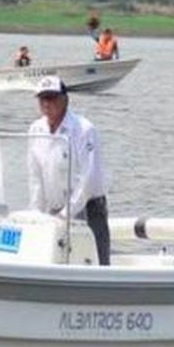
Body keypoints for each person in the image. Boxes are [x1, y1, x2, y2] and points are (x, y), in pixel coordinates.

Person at [27, 76, 111, 264]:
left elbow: (88, 178)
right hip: (54, 209)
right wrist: (36, 214)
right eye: (43, 98)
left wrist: (67, 213)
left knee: (96, 264)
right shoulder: (35, 129)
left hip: (87, 209)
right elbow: (35, 177)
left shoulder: (84, 129)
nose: (47, 103)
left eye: (52, 97)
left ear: (65, 99)